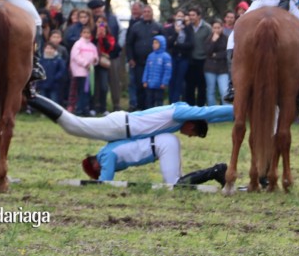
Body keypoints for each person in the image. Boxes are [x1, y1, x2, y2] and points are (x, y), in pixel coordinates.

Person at [27, 99, 234, 142]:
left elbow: (210, 117)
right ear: (192, 124)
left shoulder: (178, 121)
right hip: (120, 126)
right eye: (193, 134)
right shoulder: (180, 113)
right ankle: (32, 97)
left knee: (72, 125)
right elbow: (208, 112)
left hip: (122, 128)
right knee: (72, 125)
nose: (189, 136)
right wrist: (238, 111)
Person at [81, 131, 226, 187]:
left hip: (161, 146)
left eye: (97, 172)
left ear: (95, 165)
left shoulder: (106, 157)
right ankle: (216, 171)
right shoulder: (107, 150)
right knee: (181, 181)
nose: (100, 172)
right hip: (163, 142)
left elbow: (104, 183)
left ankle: (215, 171)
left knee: (174, 184)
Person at [125, 5, 164, 111]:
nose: (146, 13)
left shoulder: (158, 27)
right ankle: (140, 108)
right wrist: (130, 58)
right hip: (139, 63)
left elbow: (163, 44)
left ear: (152, 13)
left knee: (152, 87)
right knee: (140, 85)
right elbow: (129, 44)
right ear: (142, 13)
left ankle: (151, 109)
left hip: (154, 64)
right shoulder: (135, 26)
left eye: (148, 11)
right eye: (145, 11)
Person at [165, 9, 194, 104]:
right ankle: (171, 102)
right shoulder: (169, 29)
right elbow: (168, 44)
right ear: (175, 17)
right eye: (178, 16)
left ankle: (176, 102)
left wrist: (177, 44)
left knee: (180, 80)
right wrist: (176, 33)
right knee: (172, 80)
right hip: (172, 57)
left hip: (184, 58)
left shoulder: (188, 29)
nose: (180, 18)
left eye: (182, 16)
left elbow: (190, 44)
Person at [184, 7, 212, 106]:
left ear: (199, 16)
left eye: (193, 15)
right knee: (190, 86)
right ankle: (190, 108)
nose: (191, 17)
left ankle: (200, 107)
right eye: (190, 15)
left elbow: (211, 44)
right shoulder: (187, 27)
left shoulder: (207, 28)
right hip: (190, 60)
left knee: (202, 86)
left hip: (203, 60)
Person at [69, 26, 99, 116]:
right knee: (81, 91)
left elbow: (96, 56)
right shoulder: (78, 44)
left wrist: (95, 60)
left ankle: (85, 108)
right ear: (81, 33)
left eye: (88, 33)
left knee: (87, 91)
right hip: (80, 72)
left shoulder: (92, 46)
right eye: (84, 32)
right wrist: (86, 64)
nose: (86, 34)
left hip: (89, 72)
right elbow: (76, 56)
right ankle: (79, 109)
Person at [92, 18, 117, 115]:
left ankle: (103, 107)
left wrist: (103, 37)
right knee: (93, 86)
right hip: (92, 63)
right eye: (98, 22)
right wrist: (96, 37)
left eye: (103, 22)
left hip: (103, 63)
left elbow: (109, 48)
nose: (100, 24)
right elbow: (90, 45)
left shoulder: (110, 36)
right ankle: (93, 107)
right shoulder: (92, 34)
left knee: (103, 86)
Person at [204, 19, 229, 107]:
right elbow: (207, 52)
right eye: (214, 28)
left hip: (223, 69)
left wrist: (215, 55)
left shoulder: (226, 38)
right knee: (211, 91)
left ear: (222, 28)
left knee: (224, 91)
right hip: (210, 69)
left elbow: (227, 53)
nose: (216, 30)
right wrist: (213, 41)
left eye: (218, 28)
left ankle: (226, 110)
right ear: (212, 28)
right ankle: (213, 110)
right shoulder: (209, 39)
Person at [142, 35, 172, 109]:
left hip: (159, 85)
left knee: (159, 101)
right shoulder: (150, 56)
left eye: (156, 43)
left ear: (162, 44)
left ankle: (159, 114)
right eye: (153, 43)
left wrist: (164, 82)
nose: (154, 45)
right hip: (149, 84)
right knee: (149, 101)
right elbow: (146, 68)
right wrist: (144, 80)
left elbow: (167, 71)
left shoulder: (166, 57)